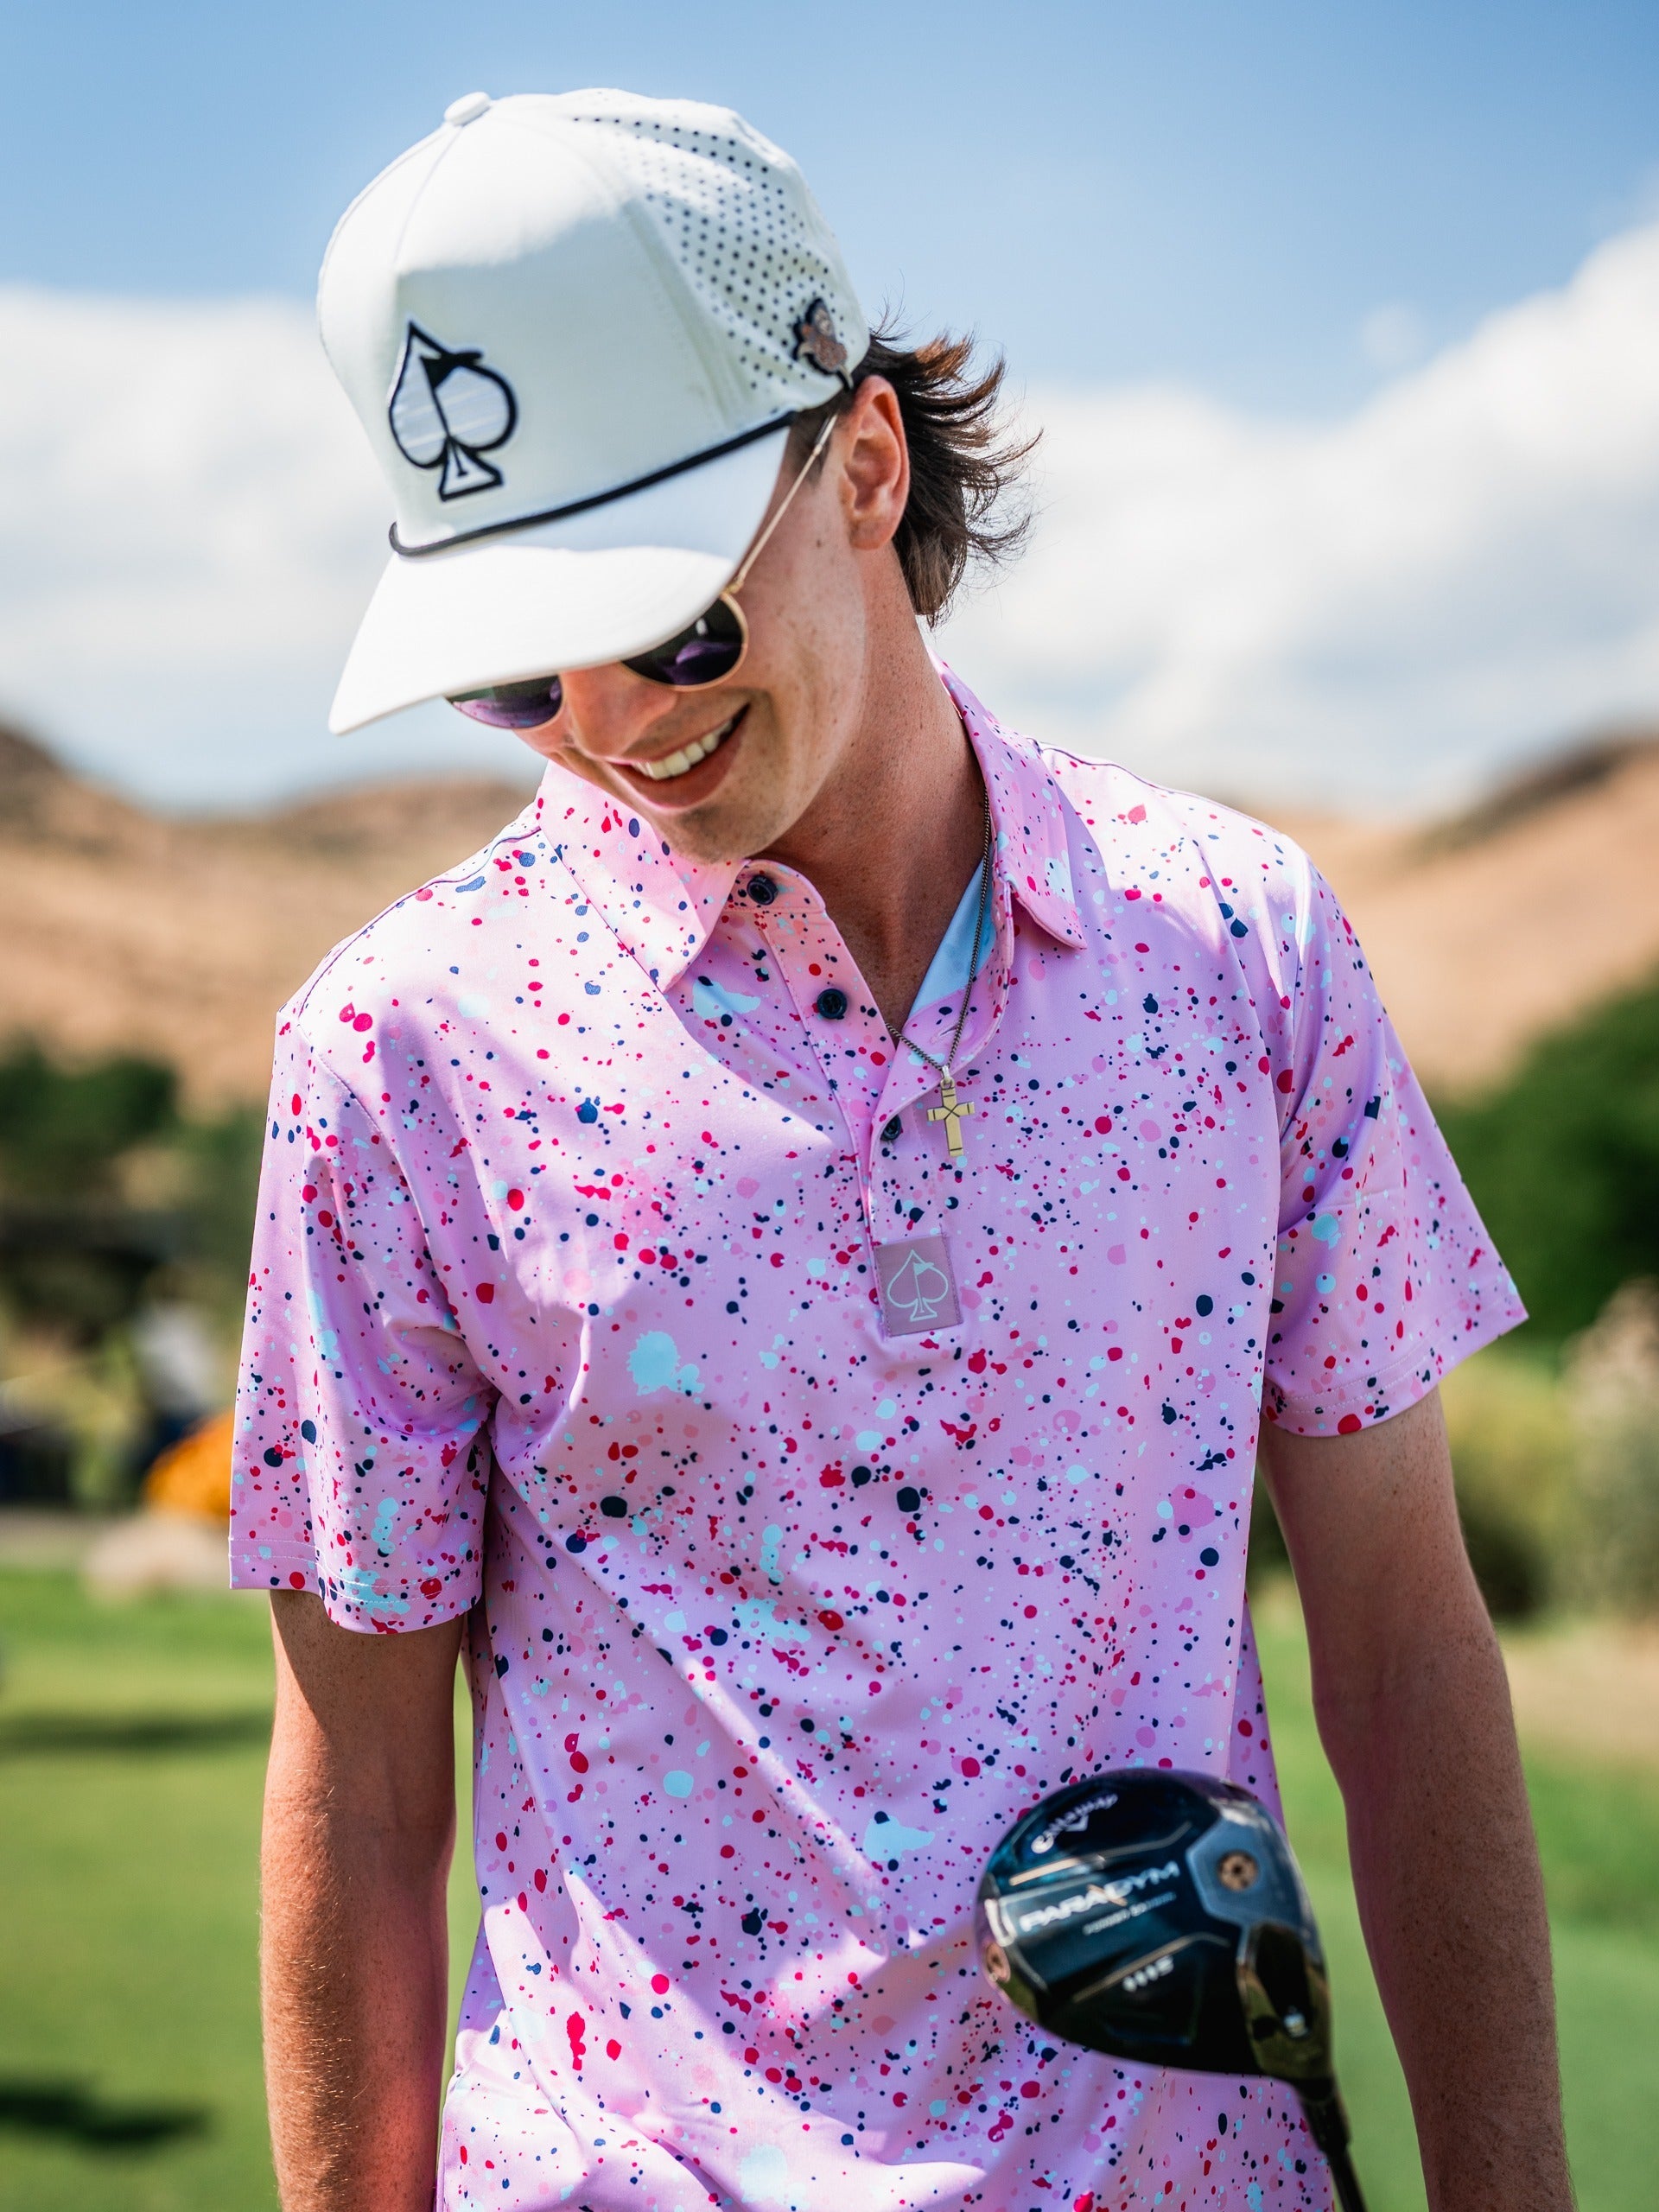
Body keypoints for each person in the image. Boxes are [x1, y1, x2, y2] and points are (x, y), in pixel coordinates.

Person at [233, 91, 1571, 2212]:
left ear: (864, 459)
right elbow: (365, 1785)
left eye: (669, 618)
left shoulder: (1242, 948)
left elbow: (1408, 1656)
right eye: (509, 665)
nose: (607, 715)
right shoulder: (394, 1053)